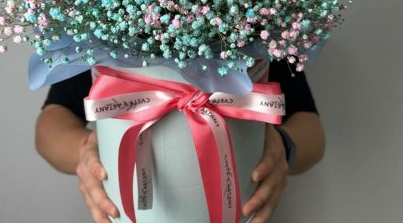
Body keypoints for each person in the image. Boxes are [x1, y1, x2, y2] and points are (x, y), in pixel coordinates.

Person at [35, 58, 325, 223]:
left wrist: (283, 145)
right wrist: (85, 154)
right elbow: (51, 124)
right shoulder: (99, 14)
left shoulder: (260, 17)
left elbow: (311, 129)